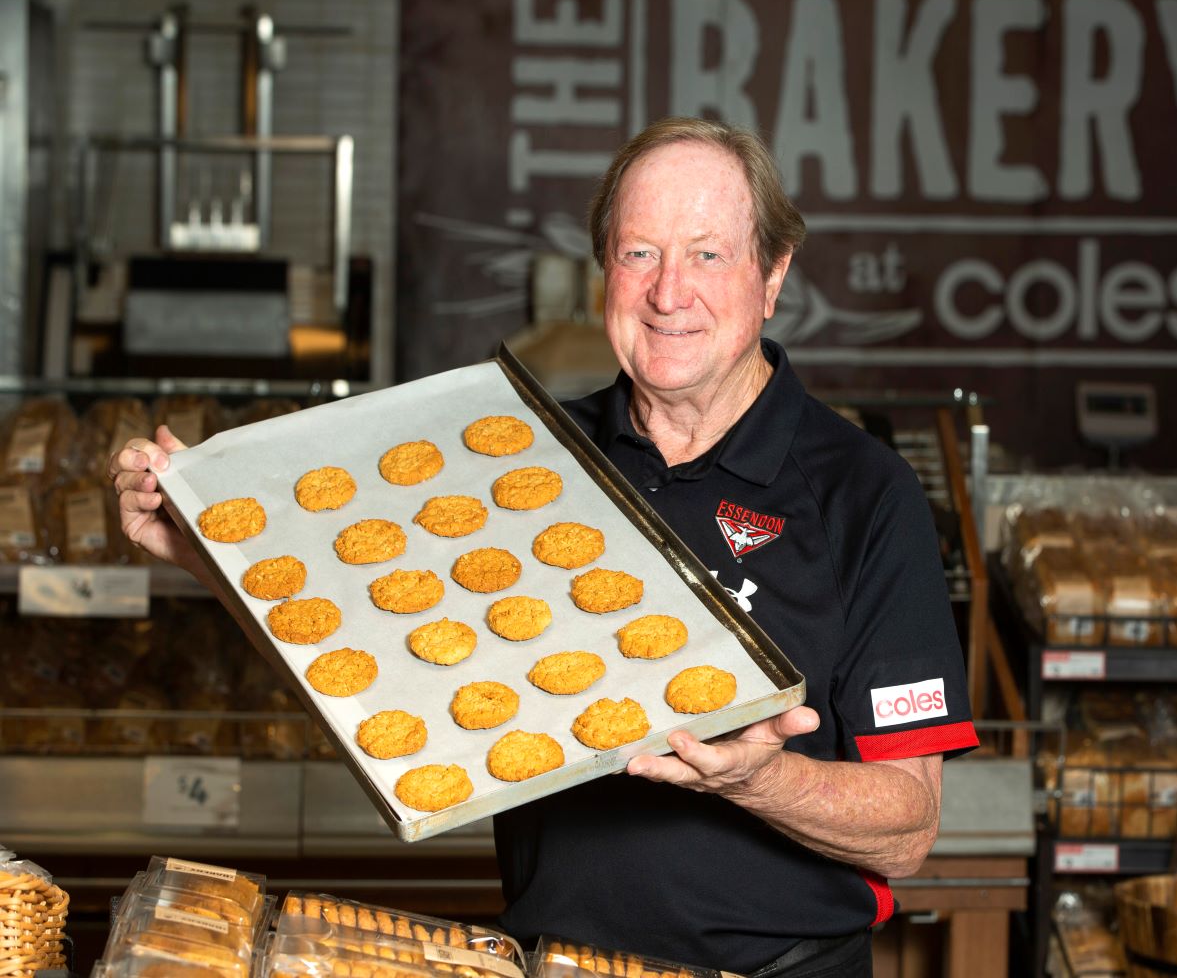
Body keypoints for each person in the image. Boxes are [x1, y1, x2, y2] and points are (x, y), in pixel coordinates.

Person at [110, 116, 977, 978]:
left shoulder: (864, 496)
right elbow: (385, 646)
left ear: (774, 274)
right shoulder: (527, 458)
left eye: (708, 255)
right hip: (544, 962)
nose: (669, 293)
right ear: (605, 268)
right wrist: (208, 551)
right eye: (639, 253)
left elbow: (909, 827)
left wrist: (757, 778)